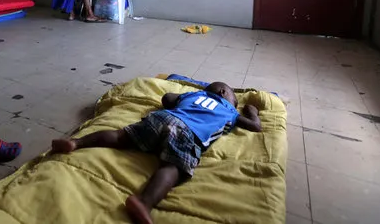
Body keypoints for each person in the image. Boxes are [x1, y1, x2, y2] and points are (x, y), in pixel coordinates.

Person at [50, 82, 262, 224]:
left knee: (120, 136)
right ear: (225, 95)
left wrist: (183, 97)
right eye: (235, 99)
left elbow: (167, 98)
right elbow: (255, 126)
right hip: (187, 133)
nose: (235, 103)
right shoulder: (230, 111)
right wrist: (251, 111)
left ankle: (76, 143)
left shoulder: (194, 94)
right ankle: (144, 201)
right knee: (173, 167)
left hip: (160, 119)